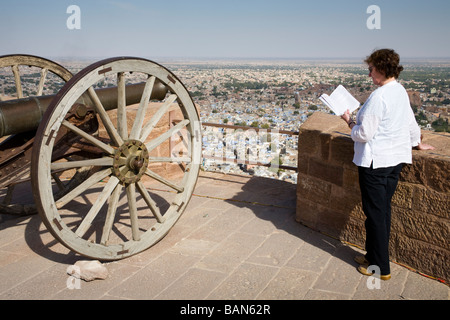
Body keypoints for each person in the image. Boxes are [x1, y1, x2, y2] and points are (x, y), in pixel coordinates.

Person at [341, 49, 434, 280]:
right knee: (381, 212)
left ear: (381, 69)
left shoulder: (379, 96)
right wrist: (417, 143)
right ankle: (372, 255)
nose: (370, 75)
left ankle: (380, 266)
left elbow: (364, 134)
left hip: (375, 163)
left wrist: (349, 122)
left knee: (375, 214)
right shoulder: (399, 91)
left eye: (371, 70)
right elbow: (410, 121)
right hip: (394, 161)